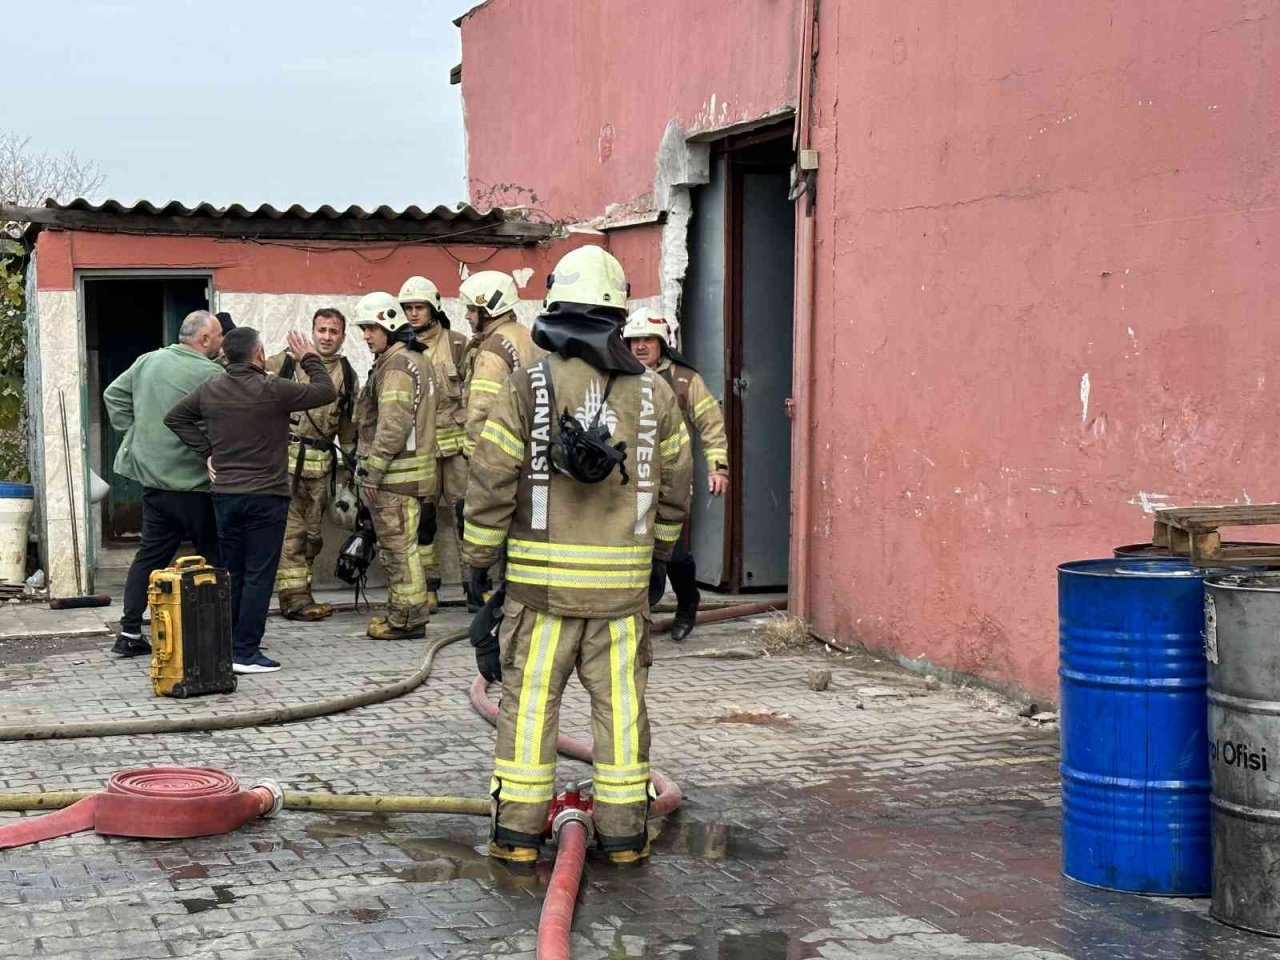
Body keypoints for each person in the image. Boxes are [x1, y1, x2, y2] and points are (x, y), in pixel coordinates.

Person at [462, 245, 692, 865]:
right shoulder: (655, 394)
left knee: (531, 706)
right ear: (619, 315)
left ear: (555, 306)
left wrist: (477, 557)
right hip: (621, 597)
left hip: (539, 597)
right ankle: (622, 838)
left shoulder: (528, 384)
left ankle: (516, 835)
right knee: (620, 712)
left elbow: (491, 475)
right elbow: (676, 483)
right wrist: (661, 556)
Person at [164, 327, 337, 674]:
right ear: (258, 355)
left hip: (226, 496)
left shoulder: (211, 388)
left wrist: (207, 452)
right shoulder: (273, 389)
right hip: (266, 497)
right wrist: (308, 357)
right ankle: (246, 651)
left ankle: (229, 646)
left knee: (234, 572)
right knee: (260, 574)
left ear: (227, 355)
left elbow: (175, 418)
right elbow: (326, 391)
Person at [102, 309, 225, 658]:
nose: (220, 343)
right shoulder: (212, 374)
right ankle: (219, 633)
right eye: (217, 337)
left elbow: (114, 395)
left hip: (155, 485)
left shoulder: (147, 362)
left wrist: (134, 434)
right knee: (213, 558)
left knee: (149, 558)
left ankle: (128, 632)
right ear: (204, 340)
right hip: (198, 487)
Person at [622, 308, 729, 641]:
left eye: (647, 340)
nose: (640, 346)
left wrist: (718, 468)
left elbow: (711, 424)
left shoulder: (684, 379)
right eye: (634, 340)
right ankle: (635, 617)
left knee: (674, 554)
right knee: (632, 552)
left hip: (672, 483)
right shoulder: (616, 376)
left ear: (661, 342)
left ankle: (687, 602)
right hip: (627, 484)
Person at [351, 291, 439, 641]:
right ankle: (409, 615)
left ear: (388, 323)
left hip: (394, 480)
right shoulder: (413, 358)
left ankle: (405, 619)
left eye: (371, 328)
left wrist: (373, 472)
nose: (366, 335)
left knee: (398, 552)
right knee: (407, 550)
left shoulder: (398, 365)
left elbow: (393, 424)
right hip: (411, 477)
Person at [265, 308, 359, 620]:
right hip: (286, 466)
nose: (327, 337)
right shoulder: (287, 362)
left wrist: (349, 469)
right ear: (313, 331)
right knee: (291, 534)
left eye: (333, 331)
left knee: (313, 536)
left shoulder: (347, 373)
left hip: (321, 471)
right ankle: (294, 601)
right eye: (322, 330)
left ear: (343, 336)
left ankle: (302, 591)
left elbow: (347, 426)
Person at [458, 270, 543, 608]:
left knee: (492, 528)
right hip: (533, 456)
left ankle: (488, 604)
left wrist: (473, 457)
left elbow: (482, 410)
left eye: (470, 309)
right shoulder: (530, 337)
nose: (466, 315)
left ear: (489, 307)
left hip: (500, 457)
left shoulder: (493, 350)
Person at [399, 276, 468, 613]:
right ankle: (429, 588)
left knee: (465, 517)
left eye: (419, 307)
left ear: (433, 308)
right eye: (408, 308)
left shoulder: (458, 344)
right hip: (422, 450)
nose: (413, 314)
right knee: (423, 520)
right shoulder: (402, 350)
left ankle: (476, 585)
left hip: (458, 452)